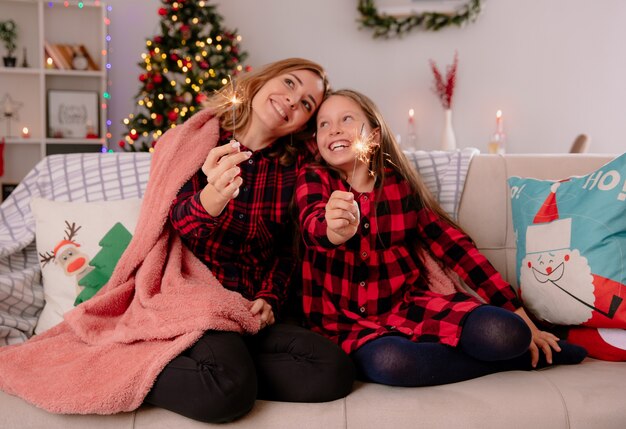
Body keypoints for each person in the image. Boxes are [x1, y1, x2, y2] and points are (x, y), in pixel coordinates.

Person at [295, 89, 587, 387]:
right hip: (347, 323)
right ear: (317, 142)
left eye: (346, 119)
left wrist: (519, 313)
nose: (335, 130)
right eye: (324, 124)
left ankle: (510, 346)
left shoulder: (399, 186)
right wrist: (333, 230)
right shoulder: (313, 179)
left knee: (509, 331)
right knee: (395, 363)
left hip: (411, 306)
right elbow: (313, 224)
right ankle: (518, 360)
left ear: (373, 135)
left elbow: (456, 248)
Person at [144, 59, 354, 422]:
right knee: (227, 396)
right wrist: (213, 196)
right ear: (262, 80)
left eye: (306, 104)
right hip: (198, 302)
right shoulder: (197, 142)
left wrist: (270, 298)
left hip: (250, 312)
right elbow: (172, 227)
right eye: (289, 84)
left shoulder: (295, 168)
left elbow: (291, 248)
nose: (293, 101)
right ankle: (142, 367)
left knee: (332, 370)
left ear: (305, 122)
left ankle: (227, 368)